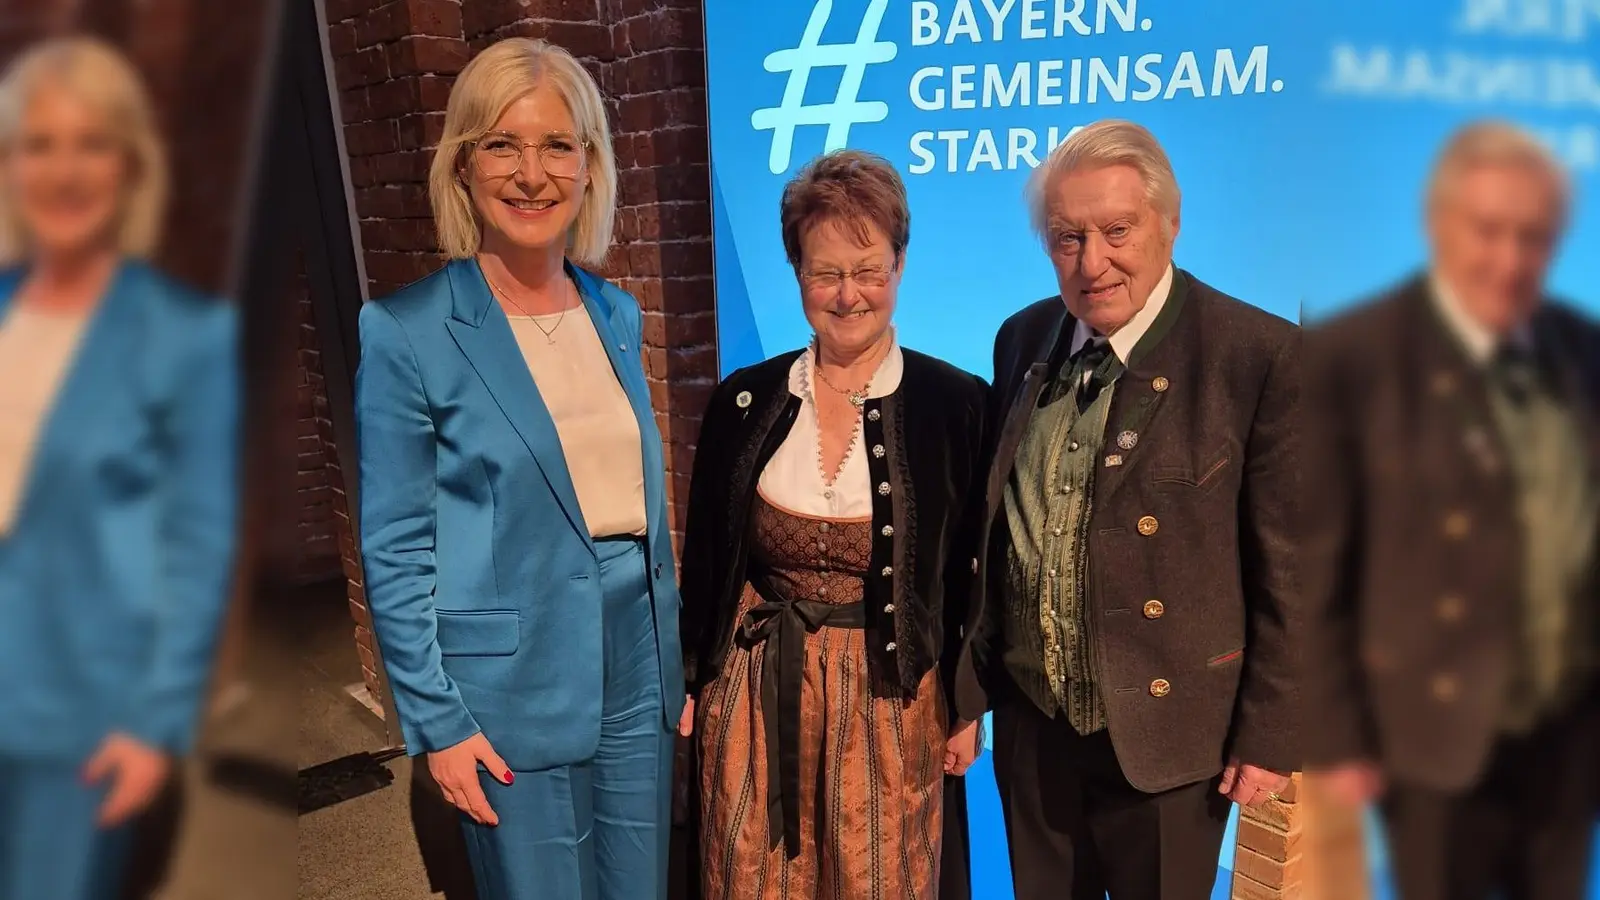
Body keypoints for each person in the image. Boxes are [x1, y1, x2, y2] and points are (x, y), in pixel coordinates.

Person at [354, 38, 686, 900]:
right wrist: (435, 722)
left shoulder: (615, 312)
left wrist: (672, 664)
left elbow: (638, 507)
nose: (531, 173)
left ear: (589, 166)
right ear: (462, 166)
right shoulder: (408, 331)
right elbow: (395, 547)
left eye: (557, 145)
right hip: (506, 683)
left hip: (637, 663)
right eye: (502, 144)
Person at [952, 119, 1298, 899]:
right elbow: (998, 529)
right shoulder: (1022, 337)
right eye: (1067, 237)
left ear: (1169, 223)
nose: (1092, 261)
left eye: (1117, 231)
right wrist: (972, 691)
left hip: (1173, 745)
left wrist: (1271, 733)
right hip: (1035, 733)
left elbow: (1293, 569)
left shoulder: (1256, 355)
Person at [678, 149, 986, 899]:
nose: (848, 295)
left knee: (878, 875)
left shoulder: (958, 403)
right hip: (755, 692)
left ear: (901, 264)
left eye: (869, 269)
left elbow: (974, 570)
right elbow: (709, 556)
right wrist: (694, 678)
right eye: (825, 272)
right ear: (796, 272)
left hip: (891, 700)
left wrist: (969, 703)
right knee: (753, 876)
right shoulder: (743, 400)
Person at [1305, 120, 1600, 899]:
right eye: (1489, 231)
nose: (1510, 259)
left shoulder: (1584, 350)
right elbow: (1320, 564)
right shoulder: (1355, 356)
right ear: (1439, 225)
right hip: (1429, 743)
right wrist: (1341, 737)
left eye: (1533, 238)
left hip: (1568, 739)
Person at [0, 37, 239, 900]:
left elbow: (196, 545)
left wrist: (154, 724)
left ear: (131, 165)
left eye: (92, 143)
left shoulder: (184, 338)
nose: (64, 171)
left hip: (78, 718)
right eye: (39, 143)